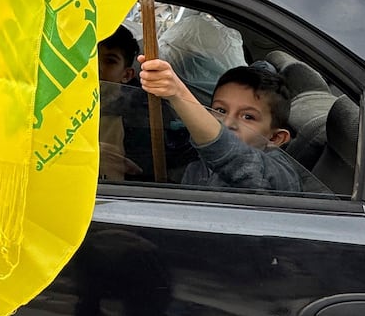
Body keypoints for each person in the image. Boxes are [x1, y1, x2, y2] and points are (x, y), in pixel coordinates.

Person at [137, 57, 303, 193]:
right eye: (221, 110)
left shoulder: (279, 174)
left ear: (275, 138)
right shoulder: (195, 158)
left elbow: (234, 158)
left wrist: (179, 94)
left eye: (248, 117)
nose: (228, 123)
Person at [96, 25, 141, 181]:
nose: (98, 68)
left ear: (127, 74)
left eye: (110, 61)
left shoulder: (138, 121)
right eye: (92, 58)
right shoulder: (65, 105)